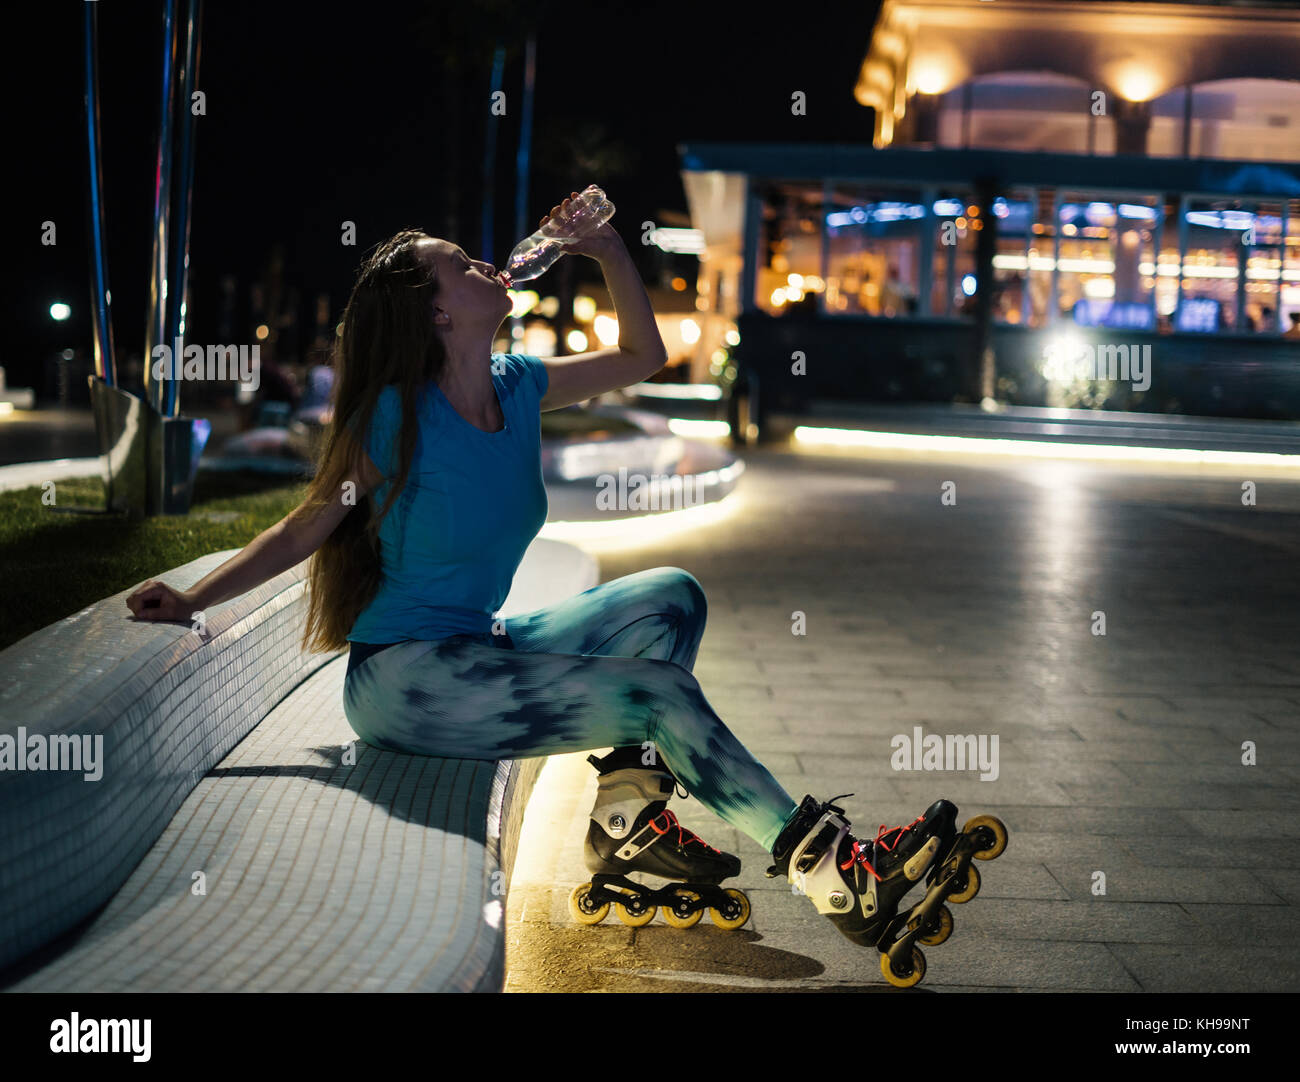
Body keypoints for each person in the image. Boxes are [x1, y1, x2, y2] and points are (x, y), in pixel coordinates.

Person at [125, 194, 983, 984]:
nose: (482, 264)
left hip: (476, 648)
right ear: (436, 310)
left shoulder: (519, 386)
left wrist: (607, 249)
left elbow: (645, 355)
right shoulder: (395, 415)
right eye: (459, 264)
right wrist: (195, 600)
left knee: (672, 595)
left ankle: (625, 819)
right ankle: (836, 873)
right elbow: (308, 523)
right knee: (656, 694)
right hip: (406, 680)